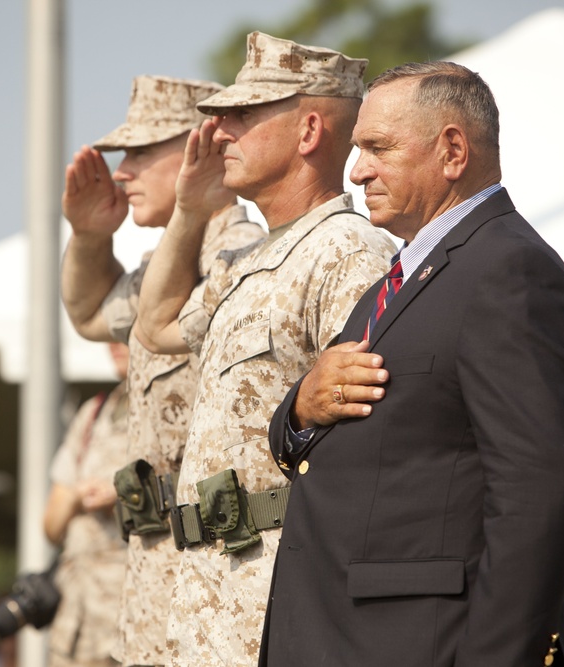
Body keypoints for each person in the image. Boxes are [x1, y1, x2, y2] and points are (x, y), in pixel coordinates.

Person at [260, 61, 564, 666]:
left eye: (377, 147)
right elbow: (312, 448)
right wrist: (301, 408)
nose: (356, 170)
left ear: (453, 150)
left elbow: (538, 494)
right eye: (358, 147)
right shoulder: (400, 278)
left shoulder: (508, 271)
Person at [135, 32, 397, 666]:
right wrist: (190, 214)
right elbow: (156, 327)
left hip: (278, 599)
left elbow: (375, 437)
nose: (221, 132)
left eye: (245, 116)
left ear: (309, 132)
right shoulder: (249, 259)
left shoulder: (348, 251)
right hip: (207, 599)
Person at [60, 75, 265, 666]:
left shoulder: (242, 251)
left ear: (200, 147)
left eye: (142, 152)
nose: (121, 171)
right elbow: (90, 313)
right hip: (158, 553)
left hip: (220, 554)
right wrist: (91, 236)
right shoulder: (163, 262)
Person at [43, 342, 131, 667]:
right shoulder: (94, 413)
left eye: (125, 332)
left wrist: (121, 495)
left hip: (129, 612)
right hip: (76, 618)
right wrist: (78, 496)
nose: (113, 344)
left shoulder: (167, 407)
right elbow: (51, 525)